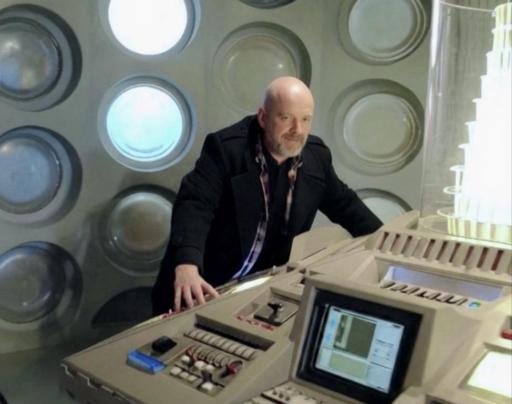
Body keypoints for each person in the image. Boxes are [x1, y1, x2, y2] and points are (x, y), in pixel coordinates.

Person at [152, 76, 382, 314]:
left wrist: (388, 243)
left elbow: (346, 205)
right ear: (263, 117)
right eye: (286, 118)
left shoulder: (317, 157)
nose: (297, 130)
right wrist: (187, 264)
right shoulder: (225, 149)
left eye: (305, 119)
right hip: (201, 287)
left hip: (257, 296)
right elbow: (195, 204)